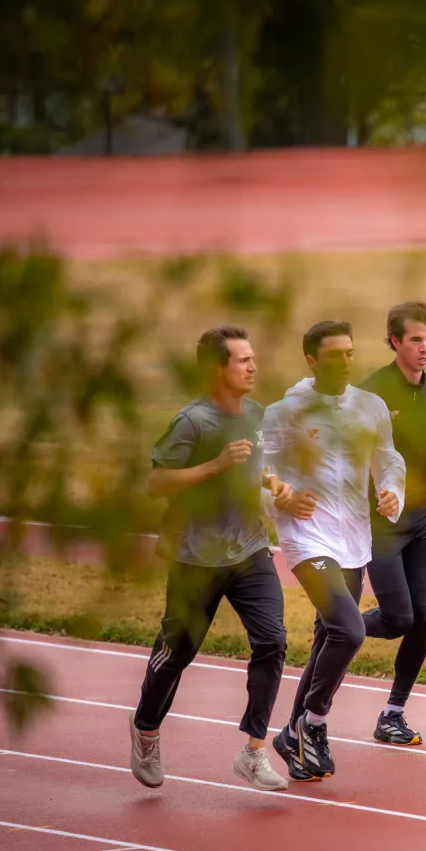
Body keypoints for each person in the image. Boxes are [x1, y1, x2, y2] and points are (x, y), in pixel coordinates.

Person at [130, 326, 304, 792]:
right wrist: (213, 466)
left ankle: (253, 751)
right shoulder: (192, 422)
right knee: (178, 651)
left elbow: (259, 467)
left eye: (253, 358)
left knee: (272, 641)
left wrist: (275, 486)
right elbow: (156, 484)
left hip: (248, 549)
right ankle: (147, 729)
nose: (253, 366)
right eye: (242, 360)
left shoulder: (257, 414)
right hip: (194, 556)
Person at [264, 320, 406, 782]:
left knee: (330, 635)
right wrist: (279, 497)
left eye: (349, 352)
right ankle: (314, 722)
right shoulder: (285, 412)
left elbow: (388, 458)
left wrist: (391, 491)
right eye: (334, 355)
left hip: (354, 540)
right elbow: (257, 474)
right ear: (311, 360)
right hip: (306, 538)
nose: (345, 362)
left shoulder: (370, 407)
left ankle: (292, 736)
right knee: (348, 630)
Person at [356, 302, 426, 746]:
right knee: (398, 617)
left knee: (424, 618)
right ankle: (341, 624)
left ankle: (393, 714)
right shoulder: (370, 395)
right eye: (416, 340)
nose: (424, 348)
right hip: (380, 522)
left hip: (421, 521)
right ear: (395, 341)